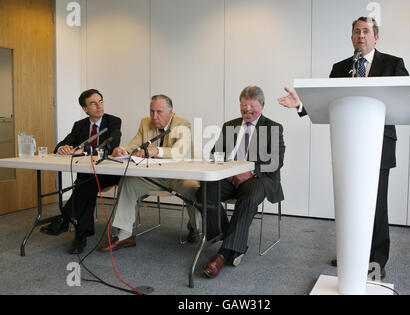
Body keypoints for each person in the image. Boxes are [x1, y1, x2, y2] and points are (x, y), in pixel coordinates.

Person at [279, 17, 410, 279]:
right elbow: (326, 100)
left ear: (376, 37)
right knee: (349, 203)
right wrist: (301, 105)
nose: (361, 35)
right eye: (357, 31)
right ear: (351, 37)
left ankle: (376, 261)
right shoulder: (340, 68)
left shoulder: (392, 64)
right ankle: (352, 255)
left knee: (376, 205)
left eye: (366, 31)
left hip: (379, 146)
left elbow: (408, 96)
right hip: (346, 147)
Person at [200, 86, 285, 278]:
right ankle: (227, 235)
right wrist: (227, 169)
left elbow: (276, 162)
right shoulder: (230, 125)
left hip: (258, 178)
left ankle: (223, 253)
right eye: (243, 106)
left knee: (250, 194)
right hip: (230, 176)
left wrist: (250, 170)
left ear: (261, 106)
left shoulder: (273, 127)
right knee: (204, 191)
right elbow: (215, 153)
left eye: (251, 106)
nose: (247, 110)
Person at [97, 94, 201, 252]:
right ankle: (124, 235)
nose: (154, 116)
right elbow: (134, 144)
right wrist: (122, 149)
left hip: (179, 175)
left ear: (171, 112)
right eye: (152, 111)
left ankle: (195, 227)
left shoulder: (182, 124)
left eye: (159, 112)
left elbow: (179, 152)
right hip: (153, 175)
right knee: (128, 182)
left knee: (192, 187)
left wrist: (156, 150)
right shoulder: (145, 122)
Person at [40, 89, 122, 254]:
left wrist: (83, 151)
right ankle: (81, 233)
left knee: (84, 184)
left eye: (101, 101)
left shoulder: (113, 121)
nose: (99, 106)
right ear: (85, 109)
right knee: (87, 185)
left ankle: (65, 219)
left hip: (111, 174)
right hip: (89, 175)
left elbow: (110, 145)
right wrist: (63, 148)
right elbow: (63, 144)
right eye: (93, 103)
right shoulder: (80, 126)